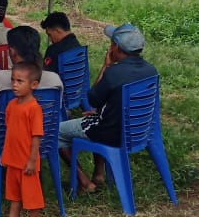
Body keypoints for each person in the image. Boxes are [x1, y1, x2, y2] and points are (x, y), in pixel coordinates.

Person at [59, 23, 157, 193]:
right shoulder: (151, 70)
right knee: (96, 118)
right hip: (137, 131)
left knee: (55, 131)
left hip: (111, 133)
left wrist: (106, 67)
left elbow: (92, 99)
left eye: (111, 42)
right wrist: (100, 112)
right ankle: (98, 174)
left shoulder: (114, 73)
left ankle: (83, 182)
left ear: (116, 47)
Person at [0, 26, 63, 154]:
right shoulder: (55, 81)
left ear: (12, 51)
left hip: (2, 141)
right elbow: (54, 114)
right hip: (43, 141)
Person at [0, 61, 45, 217]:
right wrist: (5, 153)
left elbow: (36, 136)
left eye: (19, 81)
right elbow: (11, 131)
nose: (14, 85)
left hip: (27, 160)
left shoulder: (34, 109)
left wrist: (32, 160)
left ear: (34, 85)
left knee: (31, 193)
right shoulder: (11, 105)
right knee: (13, 192)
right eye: (13, 80)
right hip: (13, 158)